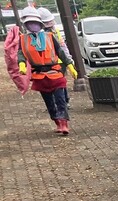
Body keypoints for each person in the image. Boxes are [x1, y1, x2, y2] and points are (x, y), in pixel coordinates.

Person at [16, 7, 76, 135]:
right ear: (25, 24)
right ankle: (57, 122)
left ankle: (64, 123)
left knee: (60, 99)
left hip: (55, 73)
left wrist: (70, 65)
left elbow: (60, 51)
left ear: (40, 23)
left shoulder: (50, 36)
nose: (33, 25)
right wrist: (21, 65)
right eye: (30, 23)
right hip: (39, 75)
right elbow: (20, 54)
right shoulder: (23, 39)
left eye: (35, 23)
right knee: (49, 102)